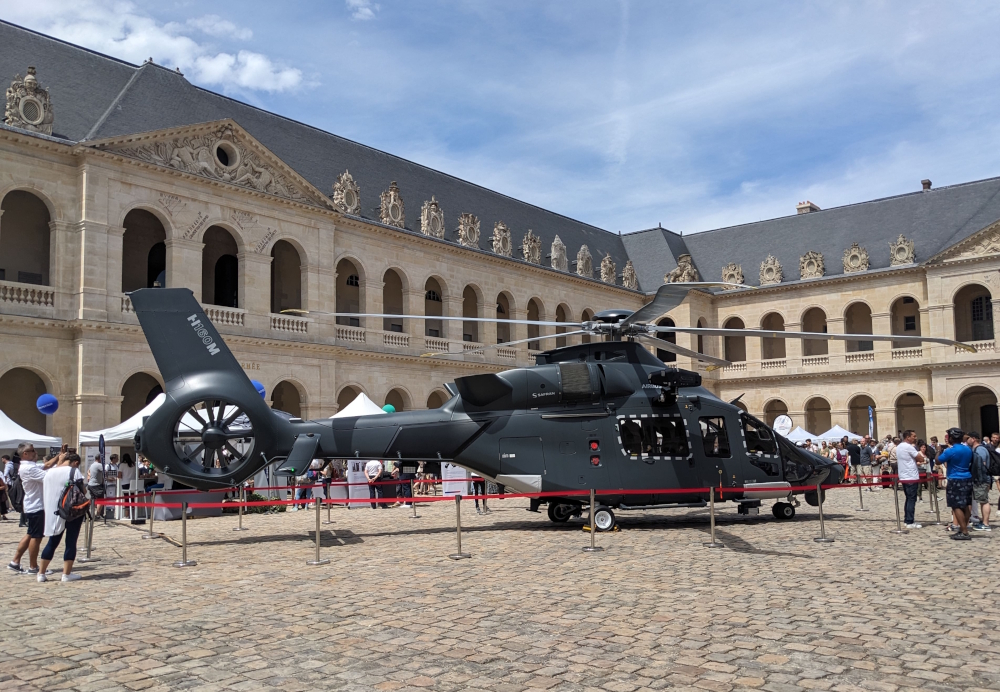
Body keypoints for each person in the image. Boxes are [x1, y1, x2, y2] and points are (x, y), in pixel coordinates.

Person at [8, 444, 58, 574]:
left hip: (33, 505)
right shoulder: (29, 469)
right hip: (37, 506)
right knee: (36, 537)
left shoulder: (29, 466)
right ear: (25, 453)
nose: (36, 452)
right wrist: (62, 464)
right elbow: (49, 478)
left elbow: (46, 465)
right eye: (32, 451)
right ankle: (33, 567)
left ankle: (15, 561)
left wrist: (59, 456)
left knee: (30, 534)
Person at [37, 452, 86, 582]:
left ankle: (41, 573)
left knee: (52, 542)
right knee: (71, 541)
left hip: (53, 511)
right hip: (71, 510)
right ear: (75, 462)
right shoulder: (73, 472)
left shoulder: (49, 473)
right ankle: (66, 574)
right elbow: (82, 490)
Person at [939, 427, 973, 540]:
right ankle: (964, 527)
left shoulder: (951, 450)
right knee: (967, 504)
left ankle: (964, 531)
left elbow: (938, 460)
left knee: (956, 505)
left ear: (952, 438)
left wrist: (939, 450)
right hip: (967, 477)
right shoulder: (968, 449)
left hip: (955, 478)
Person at [896, 429, 924, 529]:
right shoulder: (909, 447)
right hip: (911, 475)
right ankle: (910, 521)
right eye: (913, 436)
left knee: (908, 498)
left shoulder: (899, 446)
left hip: (903, 475)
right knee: (912, 499)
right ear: (908, 437)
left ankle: (907, 519)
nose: (915, 438)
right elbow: (921, 458)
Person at [969, 432, 992, 532]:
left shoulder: (980, 449)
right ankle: (984, 522)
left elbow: (981, 465)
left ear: (973, 439)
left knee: (984, 501)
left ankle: (986, 523)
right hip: (982, 478)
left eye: (969, 438)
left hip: (982, 479)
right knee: (983, 500)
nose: (967, 440)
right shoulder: (977, 449)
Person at [86, 454, 106, 519]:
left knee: (92, 499)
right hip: (96, 485)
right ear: (100, 458)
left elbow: (88, 471)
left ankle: (91, 514)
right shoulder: (99, 465)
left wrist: (90, 475)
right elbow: (105, 472)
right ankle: (97, 515)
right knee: (101, 500)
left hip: (90, 484)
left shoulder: (92, 465)